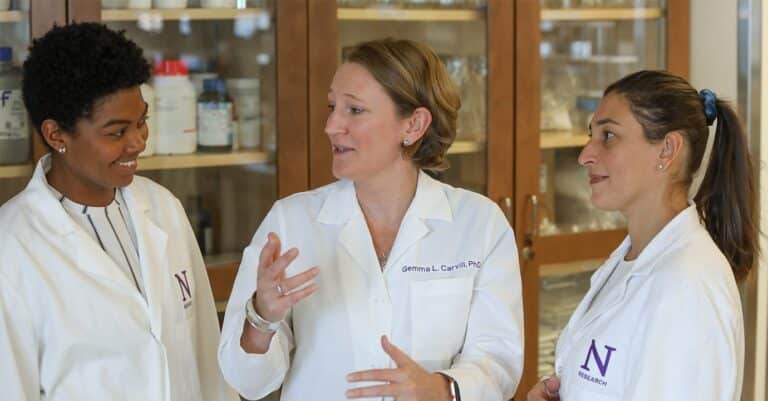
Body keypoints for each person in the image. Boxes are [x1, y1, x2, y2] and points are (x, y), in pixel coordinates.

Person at [218, 38, 524, 401]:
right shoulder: (292, 221)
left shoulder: (479, 223)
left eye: (355, 110)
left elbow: (499, 362)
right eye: (333, 106)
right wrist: (262, 316)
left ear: (413, 124)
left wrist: (440, 389)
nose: (332, 125)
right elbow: (248, 383)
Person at [0, 22, 236, 401]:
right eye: (116, 132)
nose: (138, 142)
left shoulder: (164, 210)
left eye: (142, 122)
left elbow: (209, 361)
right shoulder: (11, 249)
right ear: (56, 134)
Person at [527, 70, 757, 401]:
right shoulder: (629, 261)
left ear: (667, 150)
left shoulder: (687, 285)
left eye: (608, 136)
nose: (585, 155)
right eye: (591, 134)